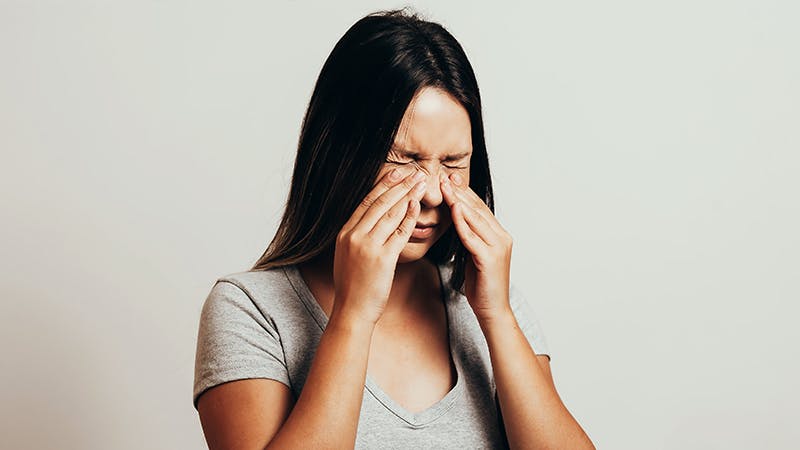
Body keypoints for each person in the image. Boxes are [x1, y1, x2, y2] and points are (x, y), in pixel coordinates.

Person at [193, 8, 594, 450]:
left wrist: (497, 316)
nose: (434, 195)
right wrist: (353, 314)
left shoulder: (489, 305)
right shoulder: (249, 310)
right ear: (339, 152)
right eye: (405, 159)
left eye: (453, 163)